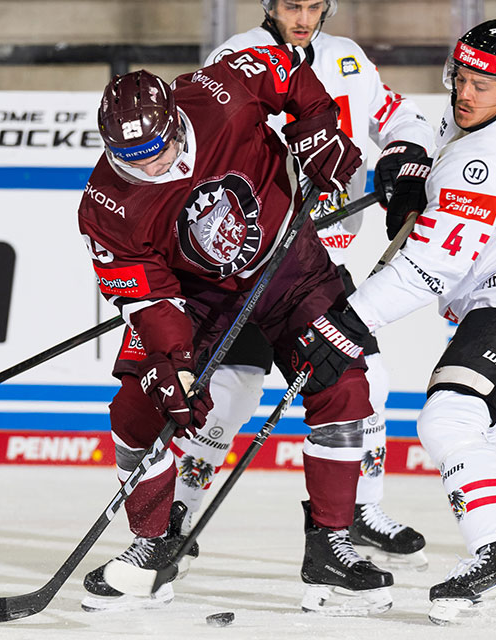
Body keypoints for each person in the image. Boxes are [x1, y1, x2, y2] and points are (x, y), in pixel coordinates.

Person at [76, 48, 395, 616]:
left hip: (291, 269)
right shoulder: (106, 206)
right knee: (139, 403)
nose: (151, 169)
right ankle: (152, 543)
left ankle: (330, 547)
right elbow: (147, 294)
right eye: (132, 160)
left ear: (176, 120)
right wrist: (172, 360)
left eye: (157, 152)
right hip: (197, 296)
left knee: (344, 384)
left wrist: (318, 130)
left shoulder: (217, 93)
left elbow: (289, 71)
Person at [339, 19, 496, 623]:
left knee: (450, 415)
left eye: (483, 83)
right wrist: (408, 163)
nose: (465, 93)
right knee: (483, 420)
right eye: (461, 77)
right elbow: (439, 136)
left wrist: (347, 320)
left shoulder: (485, 158)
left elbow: (427, 268)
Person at [170, 0, 435, 571]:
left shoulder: (347, 60)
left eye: (315, 5)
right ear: (268, 4)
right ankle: (178, 517)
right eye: (292, 4)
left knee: (366, 382)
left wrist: (403, 153)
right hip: (248, 264)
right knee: (231, 393)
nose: (304, 16)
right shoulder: (236, 57)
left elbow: (401, 116)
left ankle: (358, 510)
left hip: (315, 266)